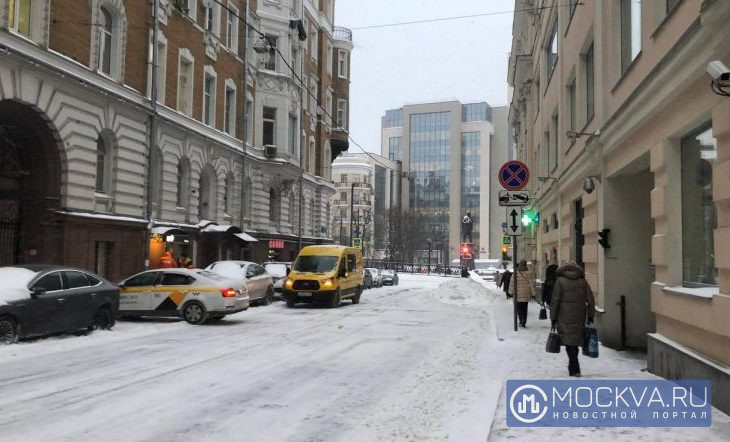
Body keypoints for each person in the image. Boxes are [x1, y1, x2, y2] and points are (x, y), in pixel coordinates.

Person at [550, 262, 596, 377]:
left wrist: (553, 317)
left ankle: (573, 366)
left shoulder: (560, 281)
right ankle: (574, 366)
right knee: (575, 340)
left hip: (564, 315)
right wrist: (590, 315)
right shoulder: (582, 282)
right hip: (579, 315)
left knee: (568, 341)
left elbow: (555, 300)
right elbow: (591, 299)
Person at [510, 259, 534, 327]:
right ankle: (524, 320)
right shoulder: (529, 273)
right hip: (526, 294)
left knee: (519, 308)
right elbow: (532, 284)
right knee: (525, 308)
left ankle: (521, 320)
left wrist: (510, 292)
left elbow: (512, 283)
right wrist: (533, 293)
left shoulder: (515, 273)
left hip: (518, 295)